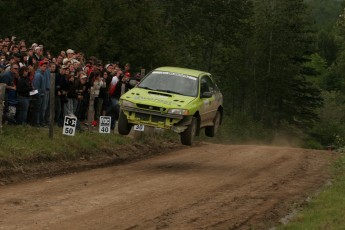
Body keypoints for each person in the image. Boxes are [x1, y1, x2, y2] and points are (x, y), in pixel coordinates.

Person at [31, 60, 48, 127]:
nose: (45, 68)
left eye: (46, 67)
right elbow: (36, 87)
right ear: (39, 66)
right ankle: (36, 123)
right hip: (38, 95)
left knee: (40, 109)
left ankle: (40, 122)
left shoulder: (42, 74)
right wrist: (39, 95)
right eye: (43, 66)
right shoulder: (38, 75)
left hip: (41, 95)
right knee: (37, 110)